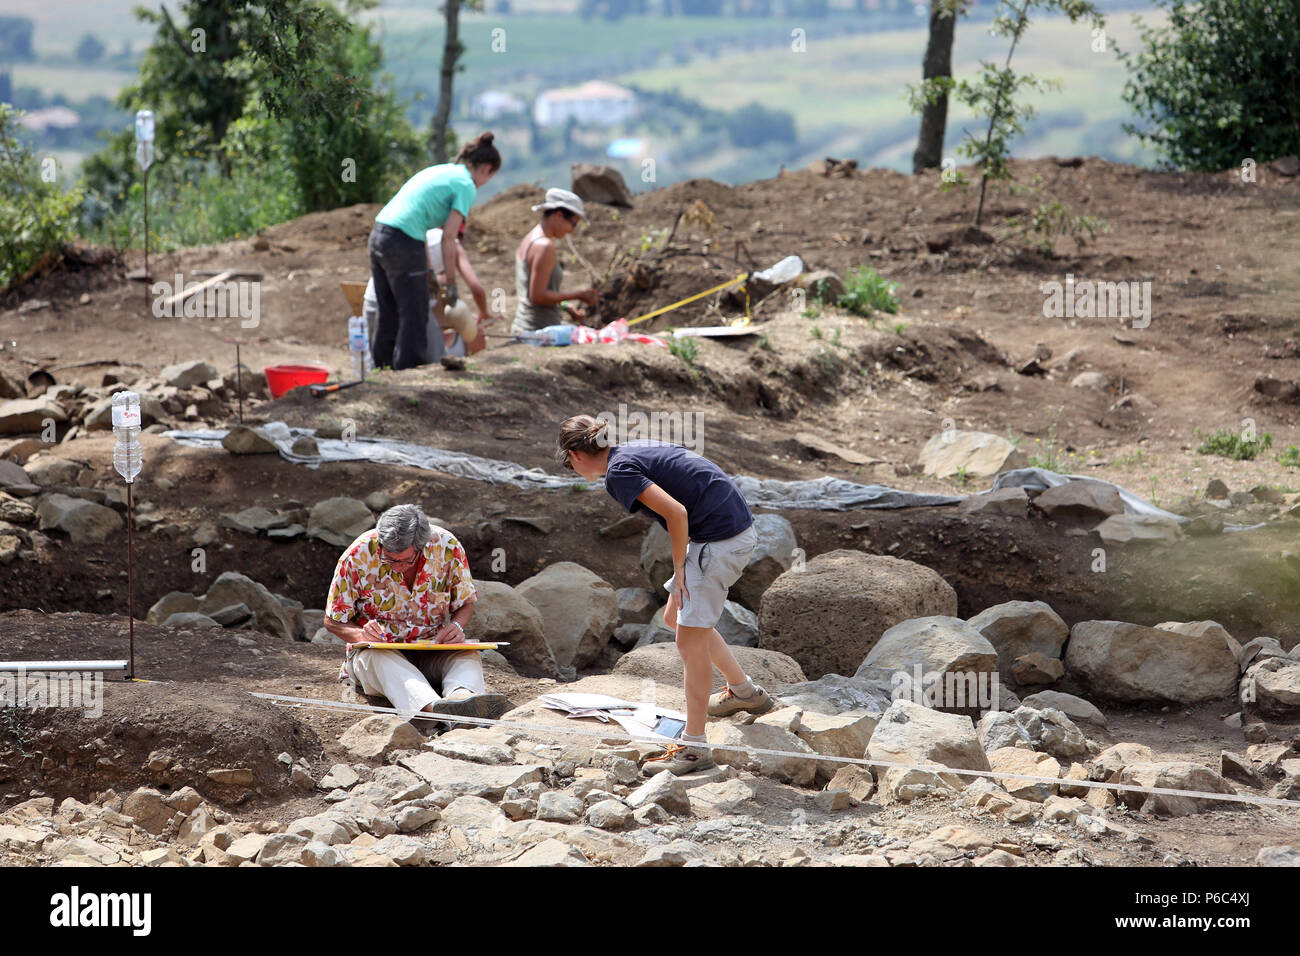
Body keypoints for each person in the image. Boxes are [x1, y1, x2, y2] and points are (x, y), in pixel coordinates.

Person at [556, 415, 774, 776]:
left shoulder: (618, 473)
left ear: (576, 455)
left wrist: (681, 566)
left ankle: (694, 748)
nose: (572, 468)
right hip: (722, 533)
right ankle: (744, 692)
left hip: (718, 540)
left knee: (689, 644)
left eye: (568, 463)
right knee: (676, 618)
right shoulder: (625, 454)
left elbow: (676, 512)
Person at [323, 504, 509, 725]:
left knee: (466, 656)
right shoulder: (357, 554)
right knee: (378, 659)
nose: (396, 567)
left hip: (432, 649)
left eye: (403, 560)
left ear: (421, 547)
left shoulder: (447, 546)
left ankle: (462, 697)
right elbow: (332, 620)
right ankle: (433, 710)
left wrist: (457, 626)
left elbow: (465, 603)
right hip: (377, 656)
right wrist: (361, 635)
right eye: (388, 559)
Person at [369, 132, 501, 370]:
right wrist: (451, 285)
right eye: (489, 178)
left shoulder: (443, 171)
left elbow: (422, 221)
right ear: (487, 169)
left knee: (389, 311)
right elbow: (448, 238)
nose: (483, 185)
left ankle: (381, 372)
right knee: (415, 315)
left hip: (380, 233)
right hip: (403, 239)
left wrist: (429, 273)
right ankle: (410, 377)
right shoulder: (466, 185)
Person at [362, 219, 501, 360]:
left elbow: (436, 287)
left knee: (378, 361)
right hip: (402, 301)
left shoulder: (421, 235)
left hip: (375, 297)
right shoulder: (452, 244)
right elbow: (476, 288)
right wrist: (483, 312)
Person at [512, 188, 599, 335]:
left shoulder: (531, 238)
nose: (572, 231)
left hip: (525, 328)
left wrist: (565, 306)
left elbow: (534, 289)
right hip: (535, 331)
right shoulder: (544, 246)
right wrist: (578, 295)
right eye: (573, 224)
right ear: (559, 215)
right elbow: (537, 296)